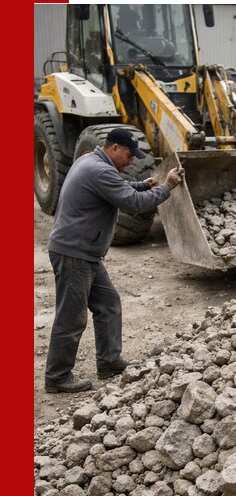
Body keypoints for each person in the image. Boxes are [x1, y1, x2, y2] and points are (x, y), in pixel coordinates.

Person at [45, 127, 183, 393]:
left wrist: (143, 184)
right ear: (115, 149)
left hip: (85, 252)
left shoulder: (91, 161)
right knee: (71, 317)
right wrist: (167, 187)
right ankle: (57, 377)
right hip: (74, 253)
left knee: (108, 304)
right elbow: (133, 203)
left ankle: (109, 362)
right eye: (130, 156)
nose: (131, 162)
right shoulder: (99, 170)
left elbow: (116, 188)